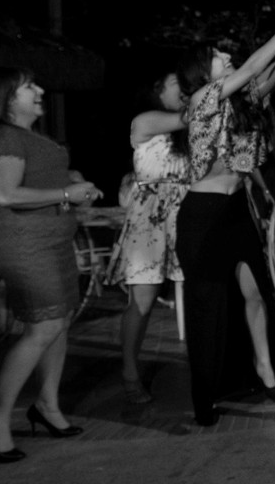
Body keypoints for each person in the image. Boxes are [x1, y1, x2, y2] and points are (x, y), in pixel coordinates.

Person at [175, 0, 275, 427]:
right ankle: (205, 394)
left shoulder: (242, 101)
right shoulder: (201, 99)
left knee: (257, 294)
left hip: (236, 211)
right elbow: (252, 67)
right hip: (202, 216)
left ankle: (265, 369)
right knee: (207, 308)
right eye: (217, 55)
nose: (227, 56)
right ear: (202, 71)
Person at [0, 67, 103, 463]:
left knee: (59, 322)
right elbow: (4, 194)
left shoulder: (30, 137)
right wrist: (66, 191)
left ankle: (47, 405)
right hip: (29, 247)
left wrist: (73, 186)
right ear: (7, 98)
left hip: (54, 242)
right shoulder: (6, 137)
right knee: (42, 328)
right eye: (30, 86)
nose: (41, 90)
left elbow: (39, 182)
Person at [106, 69, 191, 404]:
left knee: (199, 293)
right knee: (142, 302)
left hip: (186, 214)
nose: (183, 89)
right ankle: (129, 372)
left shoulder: (186, 132)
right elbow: (192, 114)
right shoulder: (145, 121)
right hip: (150, 220)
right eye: (175, 83)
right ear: (156, 89)